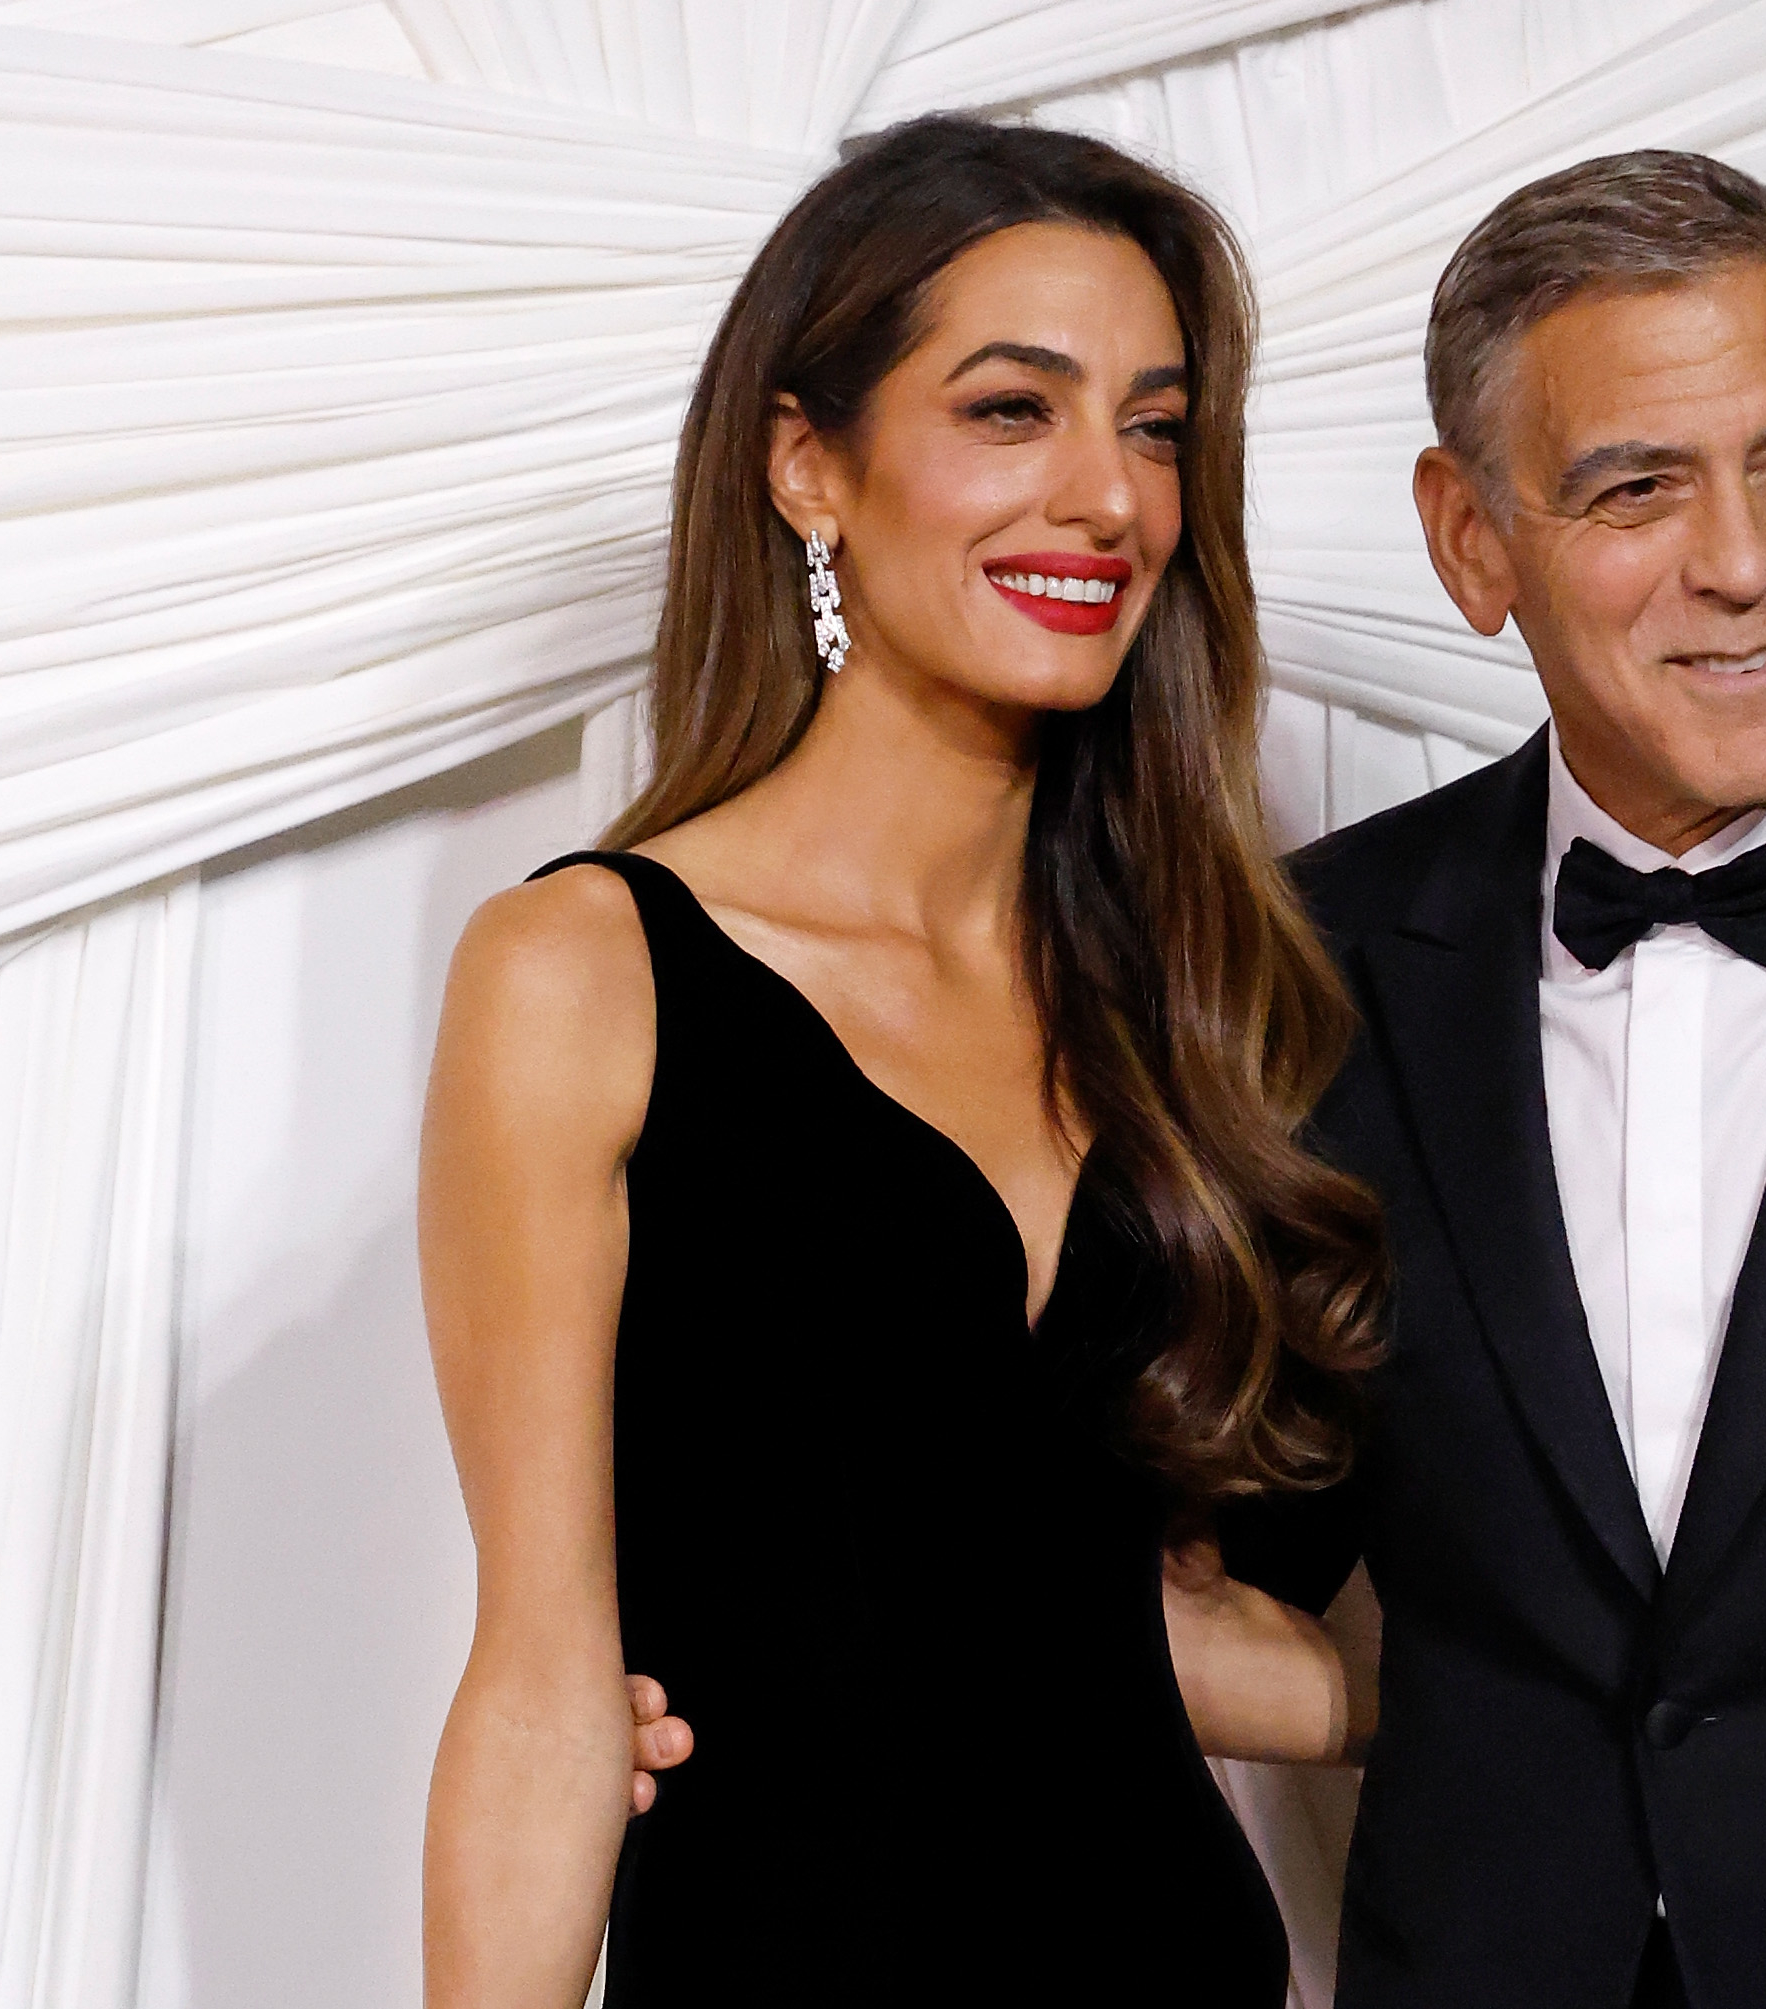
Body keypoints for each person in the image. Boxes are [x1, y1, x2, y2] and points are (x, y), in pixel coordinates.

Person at [638, 149, 1766, 2008]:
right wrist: (710, 1652)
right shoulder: (1307, 968)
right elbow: (1178, 1549)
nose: (1745, 559)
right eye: (1635, 488)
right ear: (1471, 542)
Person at [417, 116, 1383, 2008]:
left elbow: (1127, 1613)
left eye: (1156, 425)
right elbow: (544, 1678)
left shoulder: (1205, 1003)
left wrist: (1662, 1702)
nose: (1107, 496)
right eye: (1013, 410)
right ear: (808, 465)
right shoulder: (583, 975)